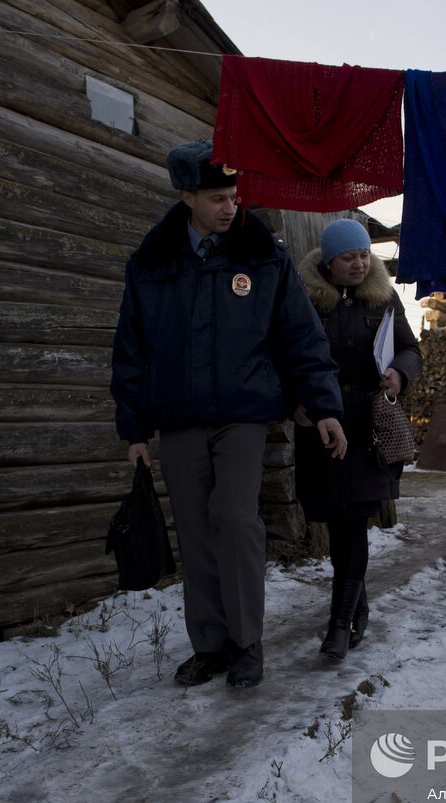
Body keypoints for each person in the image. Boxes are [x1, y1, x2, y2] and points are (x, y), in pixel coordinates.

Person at [110, 141, 347, 690]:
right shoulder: (152, 264)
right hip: (178, 419)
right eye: (217, 197)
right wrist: (134, 430)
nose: (230, 208)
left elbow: (301, 339)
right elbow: (131, 350)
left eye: (234, 197)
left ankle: (247, 642)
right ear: (186, 195)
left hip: (243, 416)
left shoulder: (265, 257)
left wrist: (323, 405)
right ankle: (210, 644)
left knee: (236, 520)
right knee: (194, 529)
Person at [294, 218, 423, 662]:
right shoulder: (305, 300)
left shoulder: (383, 297)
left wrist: (399, 373)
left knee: (353, 519)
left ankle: (339, 623)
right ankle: (358, 607)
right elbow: (285, 355)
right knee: (335, 518)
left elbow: (411, 348)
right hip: (322, 427)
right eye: (349, 257)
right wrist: (295, 402)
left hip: (367, 425)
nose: (359, 263)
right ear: (329, 262)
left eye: (365, 254)